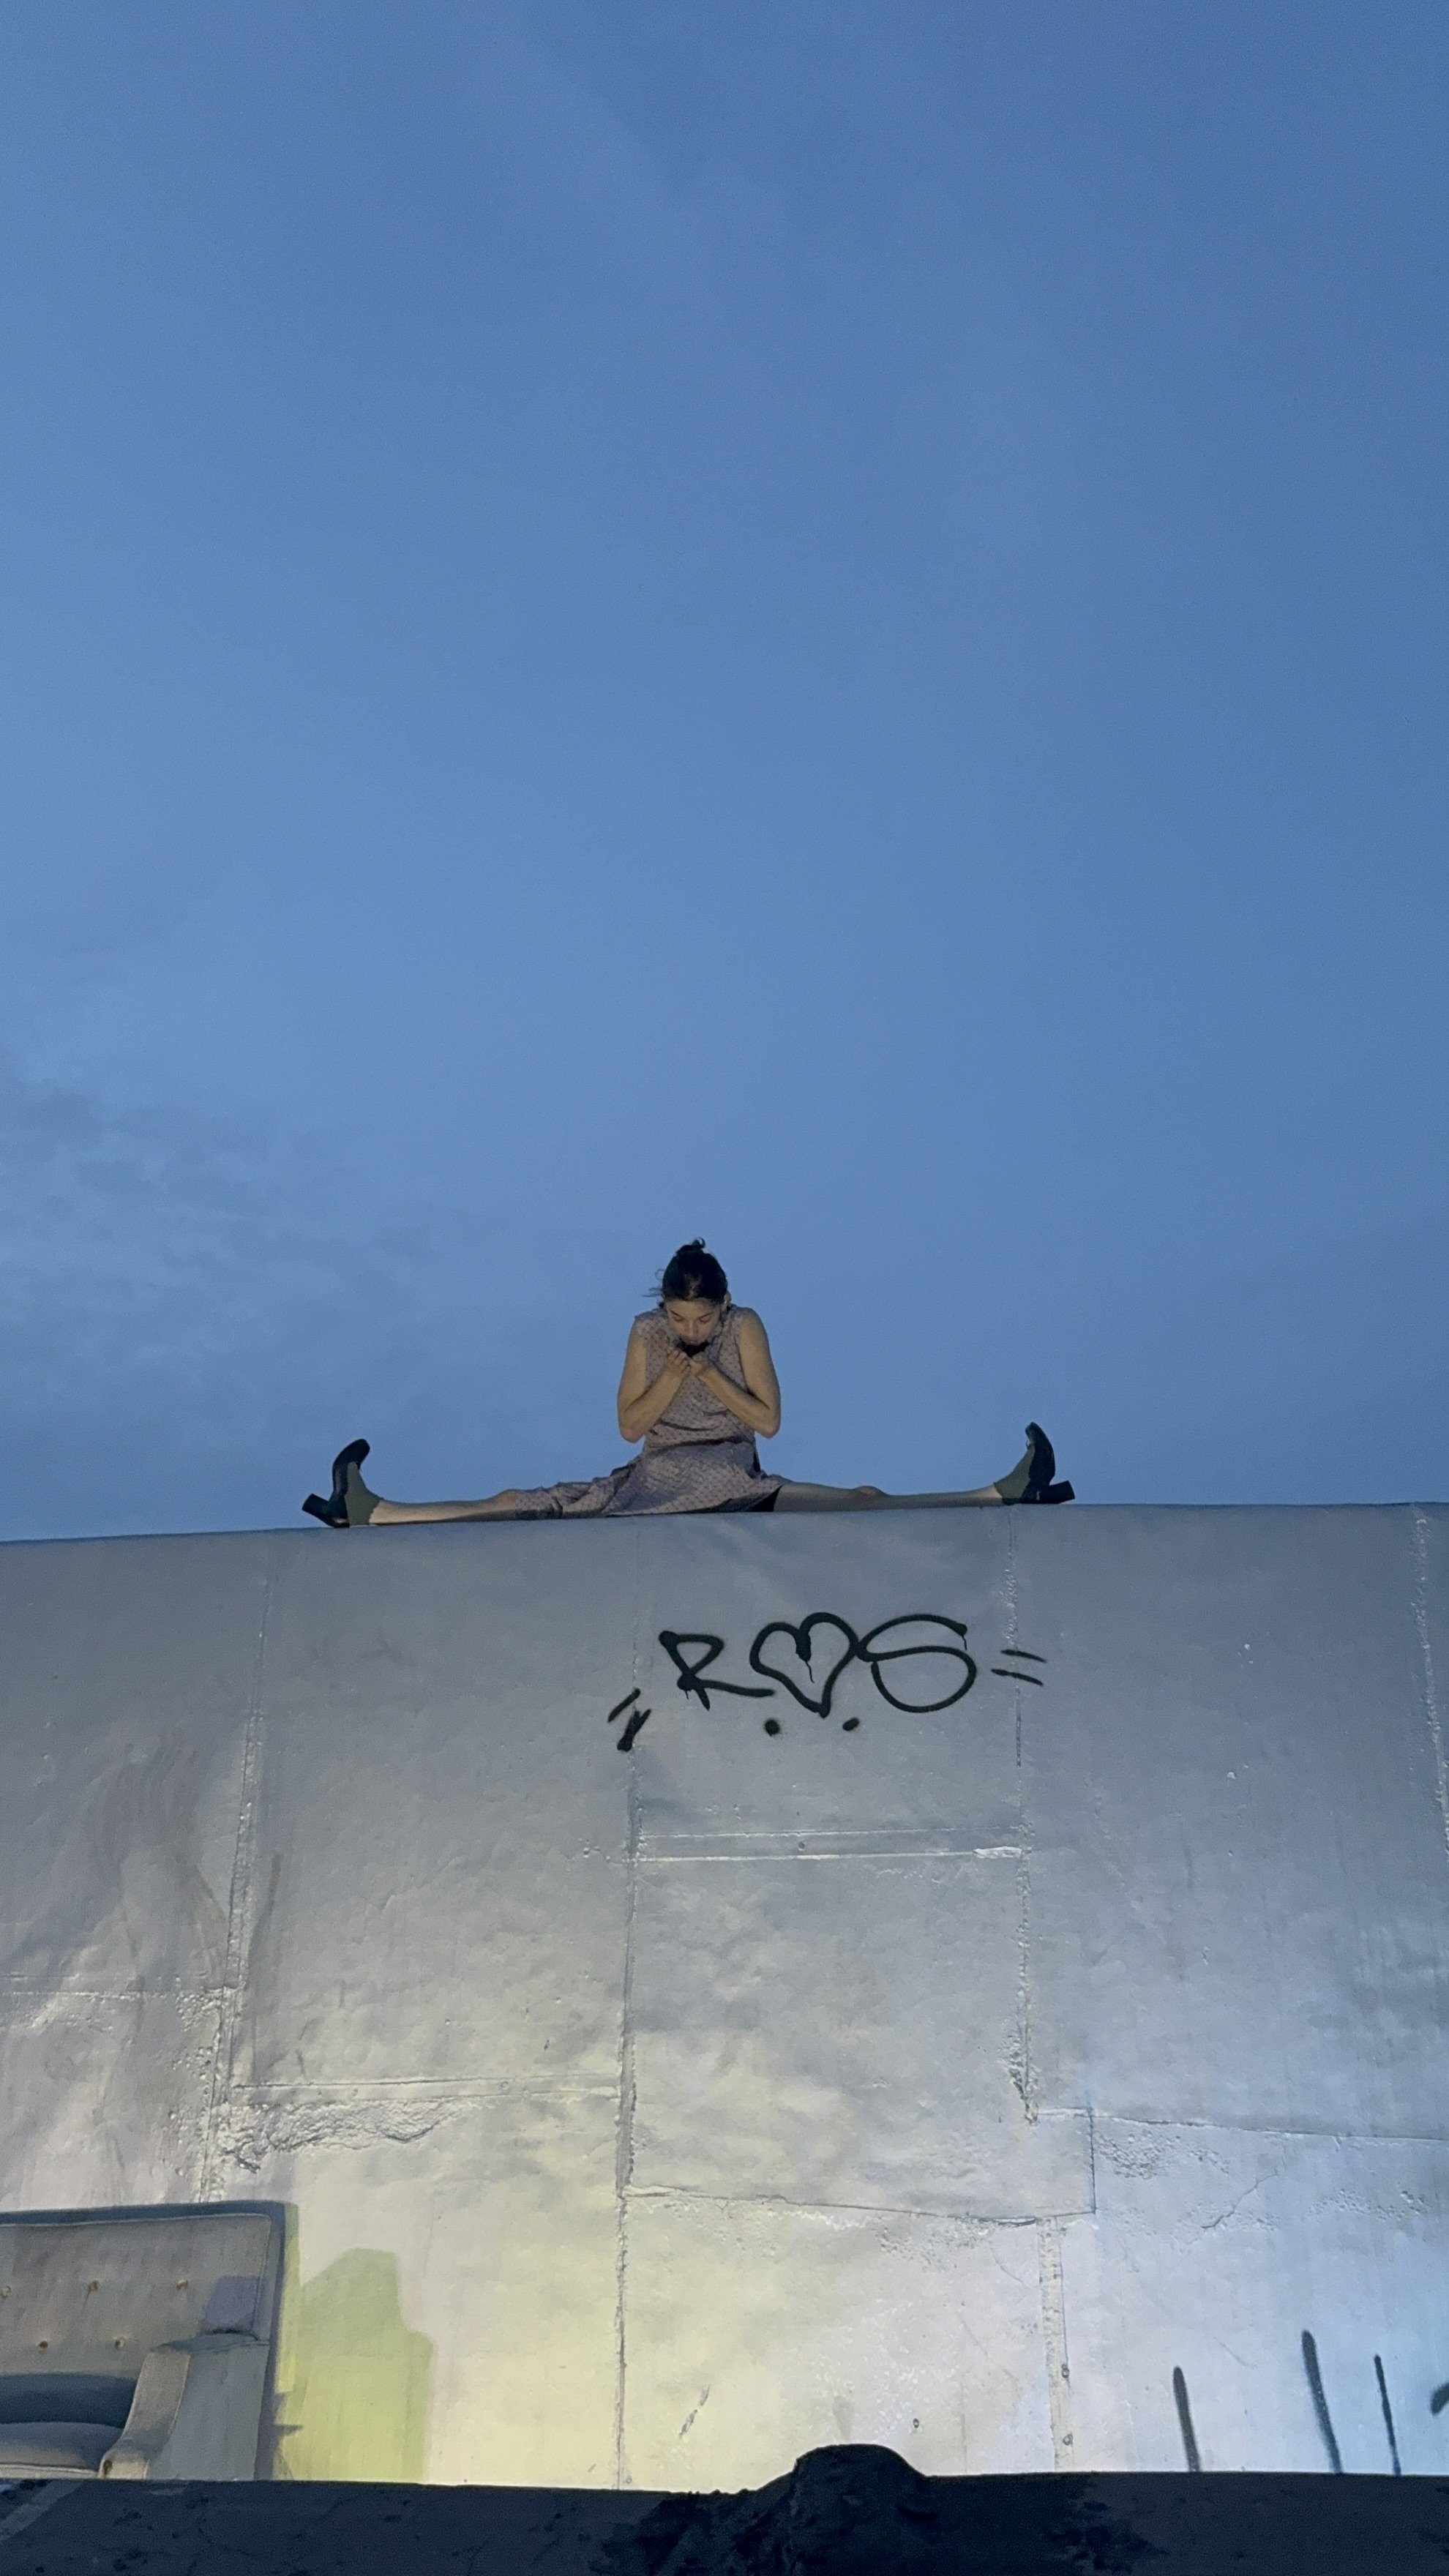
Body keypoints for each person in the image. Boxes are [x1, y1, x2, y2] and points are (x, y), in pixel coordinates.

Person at [302, 1239, 1074, 1529]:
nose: (691, 1328)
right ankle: (377, 1512)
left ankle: (998, 1495)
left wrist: (706, 1371)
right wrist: (673, 1375)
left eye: (702, 1318)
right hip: (657, 1477)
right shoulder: (647, 1333)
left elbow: (767, 1422)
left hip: (734, 1477)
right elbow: (629, 1426)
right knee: (523, 1500)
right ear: (664, 1307)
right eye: (680, 1317)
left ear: (723, 1306)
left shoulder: (745, 1327)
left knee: (862, 1500)